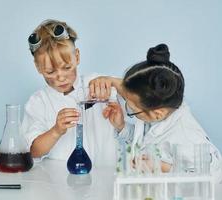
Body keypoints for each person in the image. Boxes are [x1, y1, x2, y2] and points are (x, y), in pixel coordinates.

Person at [89, 44, 222, 180]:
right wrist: (121, 126)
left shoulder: (187, 136)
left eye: (133, 110)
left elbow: (211, 178)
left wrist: (161, 167)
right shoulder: (158, 113)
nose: (128, 108)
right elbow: (145, 141)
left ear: (157, 113)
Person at [21, 19, 116, 166]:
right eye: (50, 71)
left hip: (105, 176)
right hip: (59, 183)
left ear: (77, 57)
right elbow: (33, 151)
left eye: (66, 67)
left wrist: (112, 82)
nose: (60, 77)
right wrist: (55, 131)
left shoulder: (97, 83)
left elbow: (142, 94)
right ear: (38, 67)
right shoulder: (38, 102)